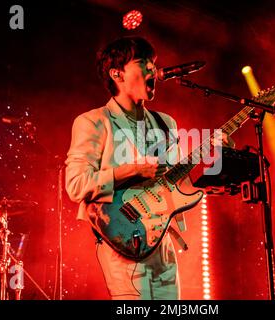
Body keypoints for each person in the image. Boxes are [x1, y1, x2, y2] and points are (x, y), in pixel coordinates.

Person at [64, 36, 187, 300]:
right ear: (116, 73)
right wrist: (131, 170)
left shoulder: (166, 123)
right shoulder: (93, 121)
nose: (153, 69)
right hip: (123, 237)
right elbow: (76, 185)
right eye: (143, 62)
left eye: (153, 63)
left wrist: (212, 153)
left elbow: (172, 182)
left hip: (162, 238)